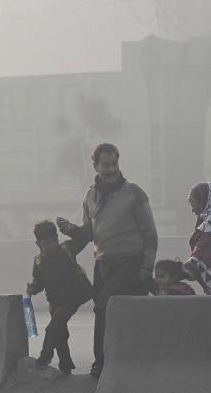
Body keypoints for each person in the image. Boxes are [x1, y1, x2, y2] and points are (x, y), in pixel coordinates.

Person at [56, 142, 157, 378]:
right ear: (96, 166)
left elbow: (150, 234)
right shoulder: (91, 195)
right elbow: (89, 233)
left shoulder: (134, 193)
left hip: (131, 262)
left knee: (103, 305)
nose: (111, 169)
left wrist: (146, 266)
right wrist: (70, 231)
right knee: (102, 311)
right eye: (105, 164)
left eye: (114, 163)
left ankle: (100, 362)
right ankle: (115, 360)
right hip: (103, 264)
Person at [26, 220, 92, 375]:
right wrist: (33, 288)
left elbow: (83, 239)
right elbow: (39, 281)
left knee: (53, 326)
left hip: (73, 297)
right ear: (38, 244)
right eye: (47, 242)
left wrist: (70, 229)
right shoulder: (38, 261)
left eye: (54, 240)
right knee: (60, 331)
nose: (52, 245)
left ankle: (45, 356)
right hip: (54, 301)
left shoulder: (67, 248)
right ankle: (65, 363)